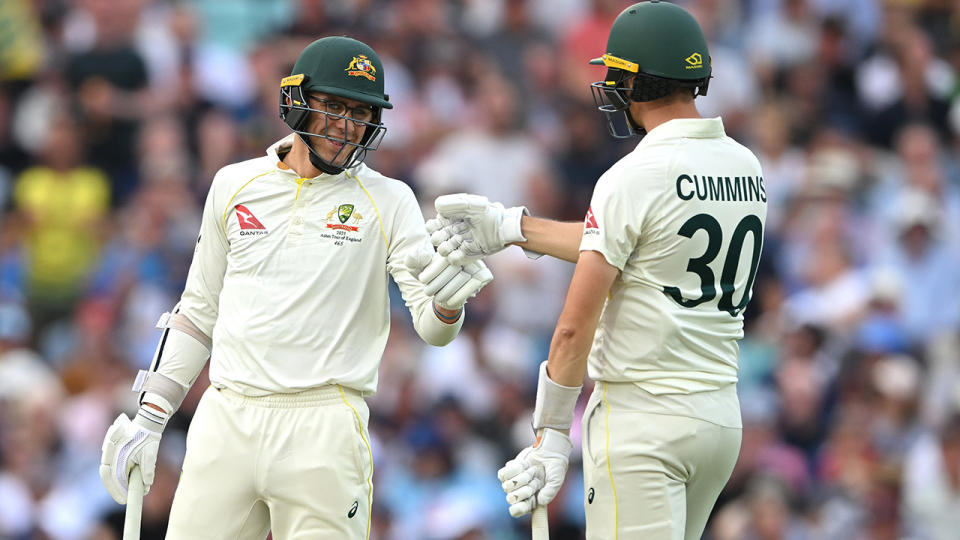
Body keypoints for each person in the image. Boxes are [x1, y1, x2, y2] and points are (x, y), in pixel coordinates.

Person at [98, 36, 492, 539]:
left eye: (360, 112)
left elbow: (433, 330)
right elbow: (197, 313)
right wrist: (150, 419)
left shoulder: (390, 200)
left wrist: (447, 302)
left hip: (324, 425)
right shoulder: (234, 184)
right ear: (296, 100)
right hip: (228, 418)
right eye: (332, 106)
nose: (346, 126)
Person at [428, 2, 767, 538]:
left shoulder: (633, 175)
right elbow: (638, 248)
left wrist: (553, 433)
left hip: (643, 422)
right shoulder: (745, 166)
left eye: (619, 75)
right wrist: (512, 226)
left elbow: (572, 327)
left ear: (638, 83)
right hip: (719, 420)